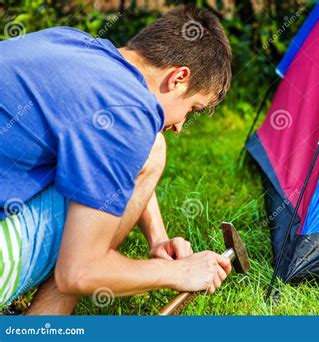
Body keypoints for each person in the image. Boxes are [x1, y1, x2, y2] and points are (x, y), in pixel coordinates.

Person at [0, 4, 232, 314]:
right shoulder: (129, 113)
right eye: (193, 108)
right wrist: (180, 272)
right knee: (153, 149)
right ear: (178, 78)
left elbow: (120, 159)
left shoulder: (72, 42)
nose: (179, 126)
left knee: (149, 147)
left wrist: (158, 238)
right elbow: (78, 273)